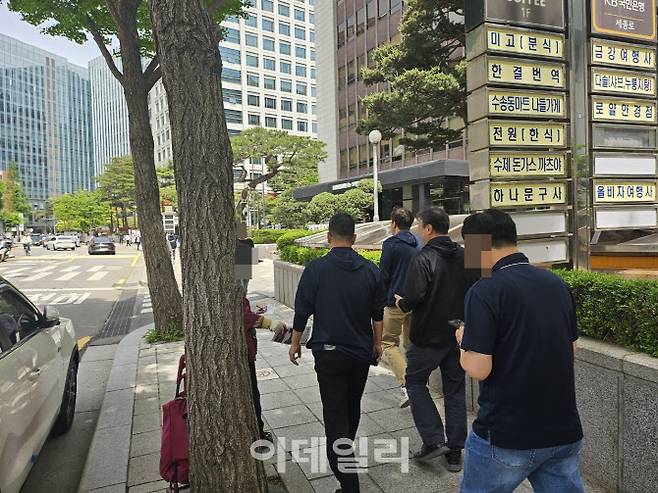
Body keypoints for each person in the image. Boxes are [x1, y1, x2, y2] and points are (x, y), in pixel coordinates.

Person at [457, 210, 584, 493]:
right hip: (563, 432)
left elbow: (479, 368)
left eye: (469, 247)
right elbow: (570, 346)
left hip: (506, 435)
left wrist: (463, 343)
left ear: (480, 244)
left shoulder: (485, 290)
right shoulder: (556, 283)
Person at [290, 213, 386, 493]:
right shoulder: (370, 270)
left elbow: (302, 311)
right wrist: (378, 343)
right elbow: (377, 313)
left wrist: (295, 343)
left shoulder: (316, 269)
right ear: (354, 239)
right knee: (351, 406)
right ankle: (345, 455)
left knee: (334, 415)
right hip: (360, 353)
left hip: (328, 353)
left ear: (329, 237)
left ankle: (349, 483)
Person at [394, 207, 469, 472]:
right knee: (455, 391)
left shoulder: (423, 258)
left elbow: (413, 298)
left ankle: (434, 440)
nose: (417, 230)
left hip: (427, 337)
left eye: (419, 226)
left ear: (428, 229)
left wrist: (401, 302)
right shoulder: (466, 255)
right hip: (457, 334)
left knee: (414, 383)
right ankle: (455, 451)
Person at [379, 207, 420, 407]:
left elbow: (383, 275)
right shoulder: (419, 243)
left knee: (388, 344)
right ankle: (418, 383)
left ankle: (409, 384)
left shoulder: (391, 245)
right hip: (417, 302)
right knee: (410, 344)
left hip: (395, 303)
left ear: (394, 223)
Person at [243, 294, 287, 443]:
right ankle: (258, 434)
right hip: (242, 355)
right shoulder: (231, 281)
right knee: (251, 394)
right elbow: (241, 316)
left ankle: (257, 431)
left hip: (241, 352)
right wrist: (268, 323)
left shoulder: (236, 280)